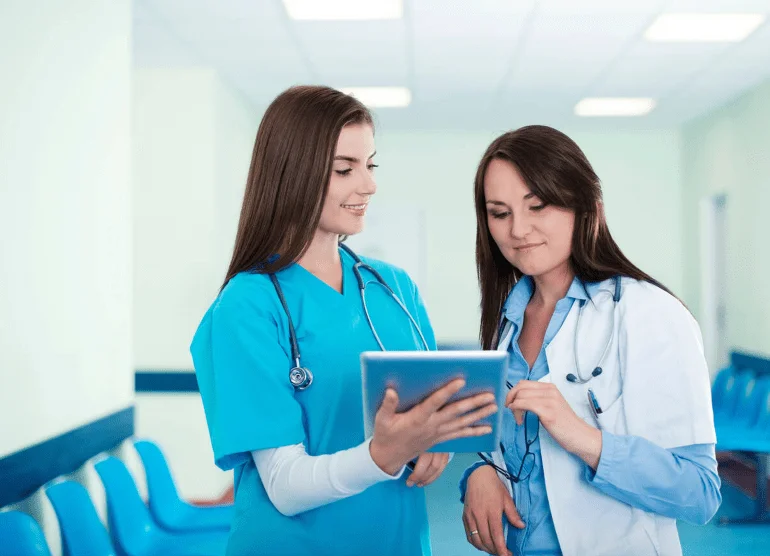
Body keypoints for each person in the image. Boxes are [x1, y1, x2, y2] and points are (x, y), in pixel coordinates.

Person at [190, 85, 498, 556]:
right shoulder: (247, 306)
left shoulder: (393, 288)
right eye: (344, 169)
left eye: (370, 165)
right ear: (293, 173)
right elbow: (285, 487)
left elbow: (431, 405)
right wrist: (384, 454)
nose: (368, 185)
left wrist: (433, 439)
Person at [459, 125, 721, 556]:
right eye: (499, 213)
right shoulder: (507, 321)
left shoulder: (648, 313)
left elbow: (699, 493)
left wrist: (580, 435)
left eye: (537, 205)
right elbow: (515, 455)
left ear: (586, 207)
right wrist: (480, 474)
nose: (518, 229)